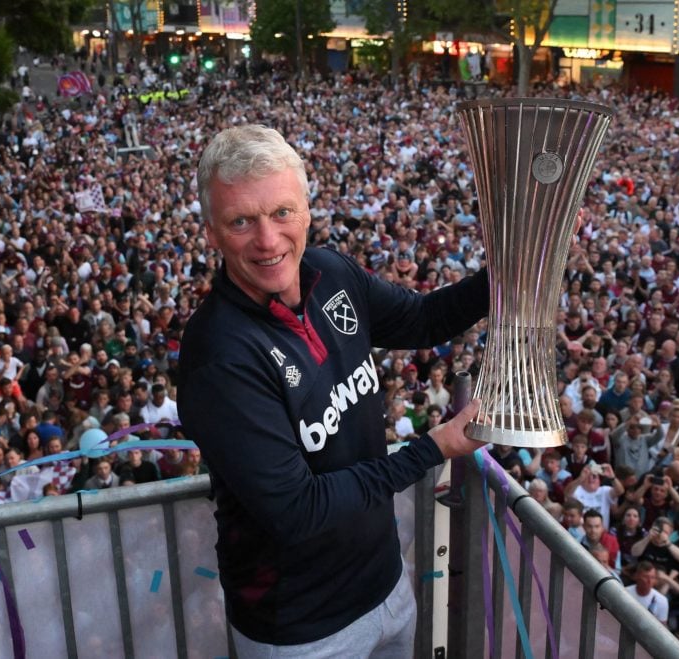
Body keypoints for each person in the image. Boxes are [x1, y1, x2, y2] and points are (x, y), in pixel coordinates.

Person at [178, 125, 491, 653]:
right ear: (211, 231)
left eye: (282, 212)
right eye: (241, 221)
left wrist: (517, 266)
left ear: (307, 207)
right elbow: (298, 509)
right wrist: (432, 450)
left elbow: (424, 319)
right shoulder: (220, 355)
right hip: (303, 626)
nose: (268, 240)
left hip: (385, 583)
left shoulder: (330, 272)